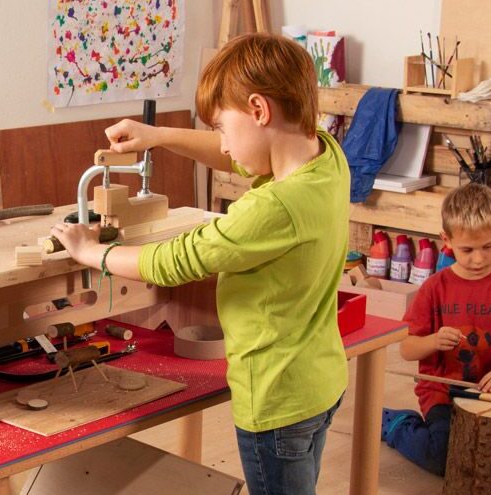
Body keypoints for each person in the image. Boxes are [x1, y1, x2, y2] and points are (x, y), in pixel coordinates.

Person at [51, 33, 349, 495]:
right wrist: (158, 136)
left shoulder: (274, 208)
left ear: (258, 110)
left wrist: (92, 252)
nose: (223, 146)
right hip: (318, 382)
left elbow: (177, 260)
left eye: (221, 129)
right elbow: (241, 156)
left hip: (274, 402)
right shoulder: (325, 157)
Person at [382, 183, 491, 475]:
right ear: (447, 240)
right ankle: (397, 425)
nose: (478, 259)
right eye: (467, 250)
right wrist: (433, 340)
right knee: (444, 459)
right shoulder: (434, 288)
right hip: (441, 392)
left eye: (488, 247)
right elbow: (406, 349)